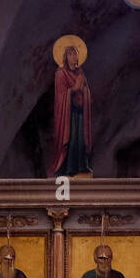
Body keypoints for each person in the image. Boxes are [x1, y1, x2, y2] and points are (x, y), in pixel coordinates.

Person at [48, 43, 92, 178]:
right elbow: (61, 96)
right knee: (71, 138)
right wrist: (74, 89)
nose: (73, 57)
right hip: (67, 114)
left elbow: (86, 91)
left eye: (75, 54)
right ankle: (68, 167)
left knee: (80, 137)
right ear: (65, 57)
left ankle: (81, 165)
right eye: (70, 54)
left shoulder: (80, 73)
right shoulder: (60, 74)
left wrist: (84, 90)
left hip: (80, 111)